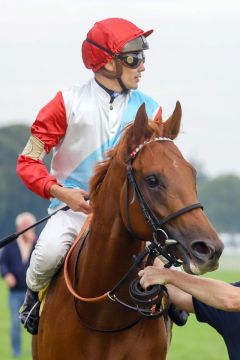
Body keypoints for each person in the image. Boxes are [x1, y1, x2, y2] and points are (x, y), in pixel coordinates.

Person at [16, 18, 162, 335]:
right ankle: (32, 302)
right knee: (48, 253)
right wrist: (59, 192)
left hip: (130, 216)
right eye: (134, 57)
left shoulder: (151, 109)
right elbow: (28, 160)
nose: (142, 67)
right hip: (73, 213)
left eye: (143, 56)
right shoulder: (63, 104)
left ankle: (173, 304)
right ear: (108, 62)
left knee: (166, 257)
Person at [138, 262, 240, 360]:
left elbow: (231, 299)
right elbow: (184, 296)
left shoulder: (230, 298)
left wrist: (169, 275)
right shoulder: (226, 296)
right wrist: (148, 252)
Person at [0, 212, 36, 357]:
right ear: (18, 226)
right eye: (24, 225)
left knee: (36, 323)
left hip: (32, 291)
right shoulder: (11, 244)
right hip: (15, 291)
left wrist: (35, 242)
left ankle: (35, 349)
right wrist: (6, 274)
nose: (26, 228)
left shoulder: (38, 243)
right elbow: (3, 262)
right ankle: (16, 352)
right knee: (15, 323)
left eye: (29, 225)